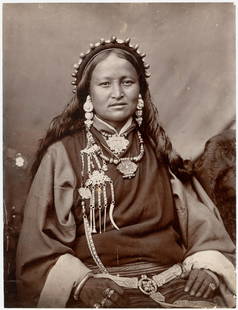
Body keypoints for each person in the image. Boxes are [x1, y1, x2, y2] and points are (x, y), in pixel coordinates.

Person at [16, 36, 235, 308]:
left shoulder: (161, 153)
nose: (117, 93)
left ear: (140, 92)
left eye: (127, 82)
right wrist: (82, 284)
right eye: (105, 84)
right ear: (88, 95)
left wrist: (208, 268)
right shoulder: (62, 155)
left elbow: (202, 228)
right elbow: (39, 246)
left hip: (175, 285)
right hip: (103, 291)